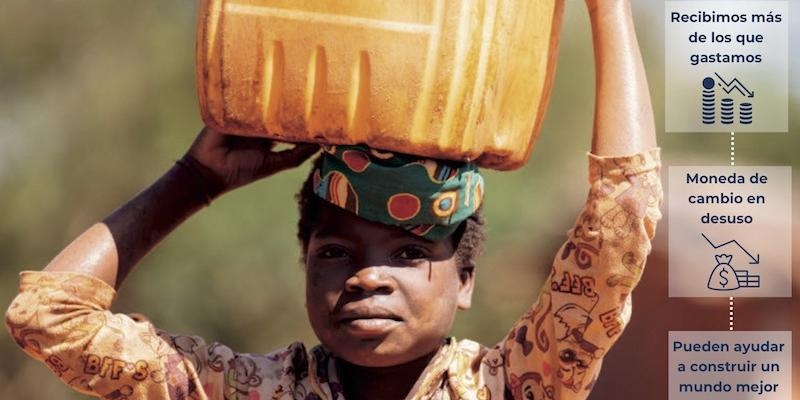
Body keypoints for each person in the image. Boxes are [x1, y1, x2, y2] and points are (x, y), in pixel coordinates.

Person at [5, 1, 662, 399]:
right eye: (336, 251)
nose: (367, 276)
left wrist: (607, 10)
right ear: (306, 266)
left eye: (409, 253)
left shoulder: (516, 387)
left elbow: (624, 215)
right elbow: (48, 318)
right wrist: (192, 181)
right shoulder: (249, 391)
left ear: (465, 281)